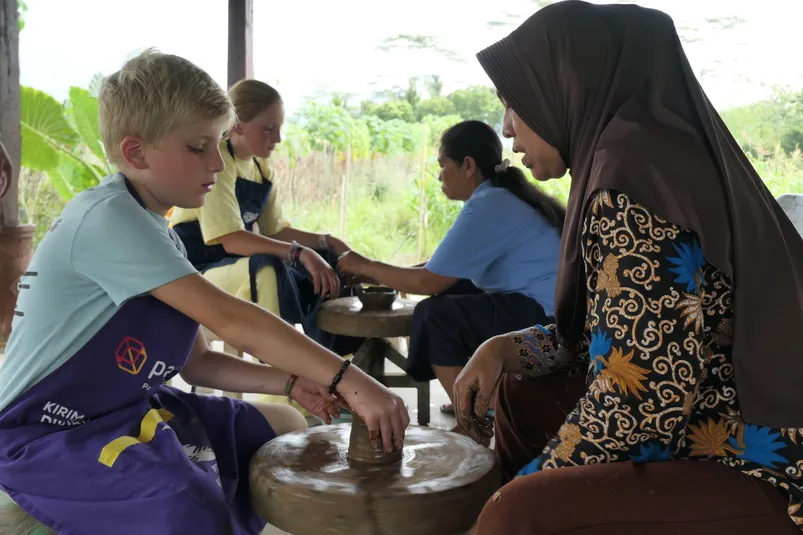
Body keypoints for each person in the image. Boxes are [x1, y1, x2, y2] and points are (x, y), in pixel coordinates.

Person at [0, 50, 408, 535]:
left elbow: (200, 364)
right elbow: (231, 320)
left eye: (217, 143)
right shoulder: (106, 218)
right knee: (188, 505)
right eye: (198, 147)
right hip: (46, 433)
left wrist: (292, 382)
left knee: (284, 427)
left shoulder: (161, 234)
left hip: (125, 410)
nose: (216, 162)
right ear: (135, 153)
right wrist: (353, 380)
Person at [454, 2, 803, 534]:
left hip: (766, 463)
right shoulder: (642, 158)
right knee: (525, 394)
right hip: (707, 413)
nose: (506, 129)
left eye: (513, 103)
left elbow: (642, 401)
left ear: (566, 87)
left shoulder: (634, 182)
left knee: (516, 513)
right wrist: (503, 349)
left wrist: (518, 490)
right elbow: (610, 338)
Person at [338, 120, 563, 414]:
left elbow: (428, 281)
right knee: (454, 291)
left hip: (551, 320)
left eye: (443, 165)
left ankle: (475, 409)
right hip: (546, 306)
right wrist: (375, 273)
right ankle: (475, 392)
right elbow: (440, 270)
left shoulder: (489, 204)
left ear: (467, 165)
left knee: (436, 316)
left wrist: (365, 264)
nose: (439, 175)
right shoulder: (498, 197)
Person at [169, 79, 360, 358]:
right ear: (237, 125)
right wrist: (299, 252)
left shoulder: (260, 167)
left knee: (327, 260)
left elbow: (275, 232)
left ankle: (334, 356)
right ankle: (281, 369)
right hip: (197, 273)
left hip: (235, 264)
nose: (278, 138)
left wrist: (326, 242)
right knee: (268, 267)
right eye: (269, 129)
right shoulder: (218, 162)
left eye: (279, 128)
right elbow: (232, 239)